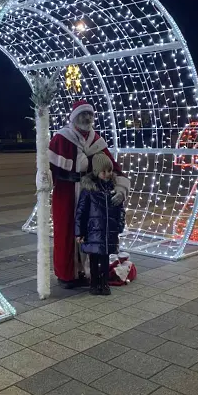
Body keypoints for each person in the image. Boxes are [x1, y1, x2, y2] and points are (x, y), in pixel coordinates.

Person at [48, 100, 129, 288]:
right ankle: (67, 275)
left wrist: (120, 189)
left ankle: (86, 272)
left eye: (90, 115)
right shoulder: (62, 138)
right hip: (66, 194)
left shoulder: (96, 141)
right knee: (67, 233)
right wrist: (43, 180)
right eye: (83, 115)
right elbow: (48, 168)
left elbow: (113, 168)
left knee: (89, 233)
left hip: (91, 195)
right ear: (74, 117)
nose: (87, 118)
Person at [74, 153, 126, 296]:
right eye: (104, 171)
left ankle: (104, 283)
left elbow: (120, 210)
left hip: (108, 232)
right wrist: (79, 232)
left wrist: (120, 225)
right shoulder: (89, 190)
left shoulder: (113, 189)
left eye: (109, 171)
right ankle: (94, 283)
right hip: (93, 232)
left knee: (105, 259)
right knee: (93, 259)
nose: (108, 174)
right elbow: (81, 212)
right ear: (97, 172)